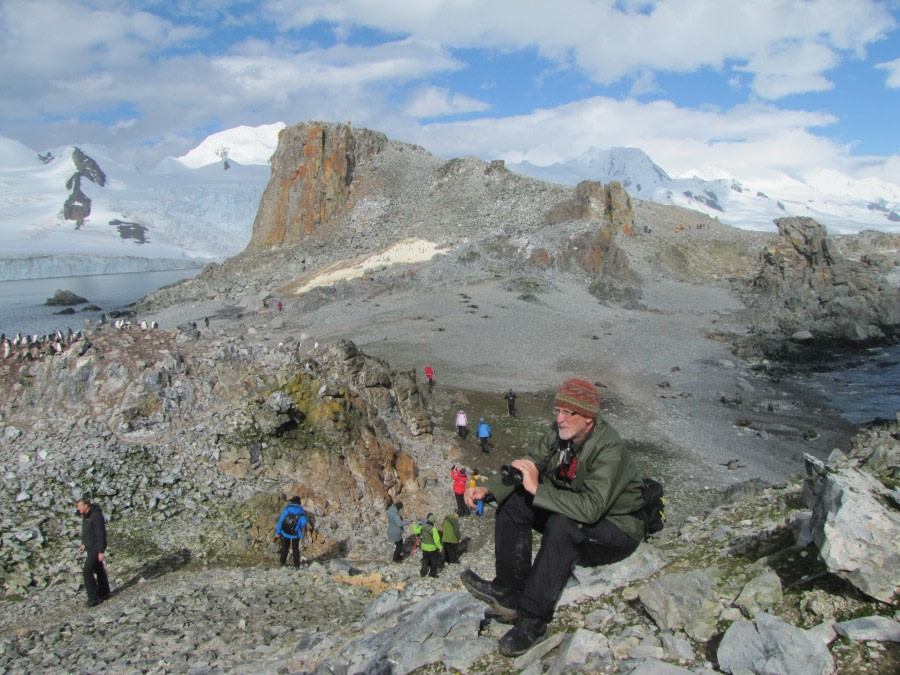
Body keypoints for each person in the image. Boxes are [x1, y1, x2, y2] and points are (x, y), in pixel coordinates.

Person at [461, 378, 645, 657]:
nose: (559, 419)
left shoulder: (610, 449)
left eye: (567, 413)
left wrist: (537, 488)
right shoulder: (562, 434)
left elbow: (592, 507)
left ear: (588, 418)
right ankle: (508, 591)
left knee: (563, 524)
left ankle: (533, 619)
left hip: (617, 529)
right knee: (514, 500)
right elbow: (529, 461)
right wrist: (489, 488)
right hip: (577, 511)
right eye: (557, 410)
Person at [76, 492, 110, 607]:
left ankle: (93, 598)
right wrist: (84, 544)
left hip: (96, 548)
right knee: (99, 569)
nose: (78, 508)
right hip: (90, 547)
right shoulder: (87, 516)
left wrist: (101, 551)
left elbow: (101, 533)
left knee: (87, 571)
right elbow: (88, 533)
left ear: (86, 505)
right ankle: (104, 592)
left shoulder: (95, 515)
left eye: (79, 506)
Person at [275, 496, 308, 568]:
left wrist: (278, 532)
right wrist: (299, 527)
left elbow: (281, 521)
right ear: (299, 502)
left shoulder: (287, 509)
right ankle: (296, 565)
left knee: (285, 547)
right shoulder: (301, 510)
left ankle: (282, 563)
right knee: (295, 549)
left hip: (285, 532)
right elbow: (304, 522)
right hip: (295, 534)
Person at [412, 513, 443, 578]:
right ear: (433, 521)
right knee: (434, 560)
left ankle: (423, 572)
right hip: (432, 548)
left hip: (424, 547)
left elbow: (415, 531)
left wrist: (414, 525)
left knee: (425, 559)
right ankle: (432, 574)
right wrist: (440, 547)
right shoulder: (433, 529)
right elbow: (436, 540)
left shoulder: (422, 526)